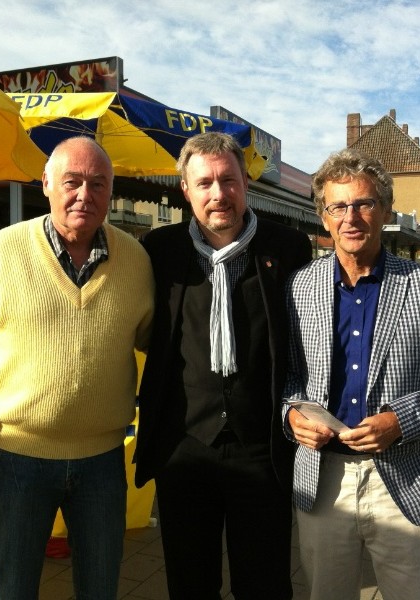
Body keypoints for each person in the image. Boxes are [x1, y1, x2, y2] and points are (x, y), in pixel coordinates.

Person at [0, 136, 154, 600]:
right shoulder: (2, 253)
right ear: (45, 184)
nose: (84, 194)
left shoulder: (136, 262)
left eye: (98, 184)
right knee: (12, 588)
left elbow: (162, 348)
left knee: (100, 588)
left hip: (104, 464)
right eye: (72, 181)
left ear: (111, 193)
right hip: (20, 462)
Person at [283, 148, 420, 600]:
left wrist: (400, 422)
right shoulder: (301, 286)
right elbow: (290, 378)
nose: (352, 216)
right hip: (323, 481)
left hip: (406, 478)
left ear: (385, 211)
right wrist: (292, 416)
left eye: (364, 203)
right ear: (324, 217)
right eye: (338, 206)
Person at [134, 132, 311, 599]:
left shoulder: (289, 248)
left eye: (228, 180)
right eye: (205, 182)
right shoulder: (159, 251)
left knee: (266, 583)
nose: (219, 194)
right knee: (190, 585)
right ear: (185, 190)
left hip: (262, 450)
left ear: (245, 183)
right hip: (185, 447)